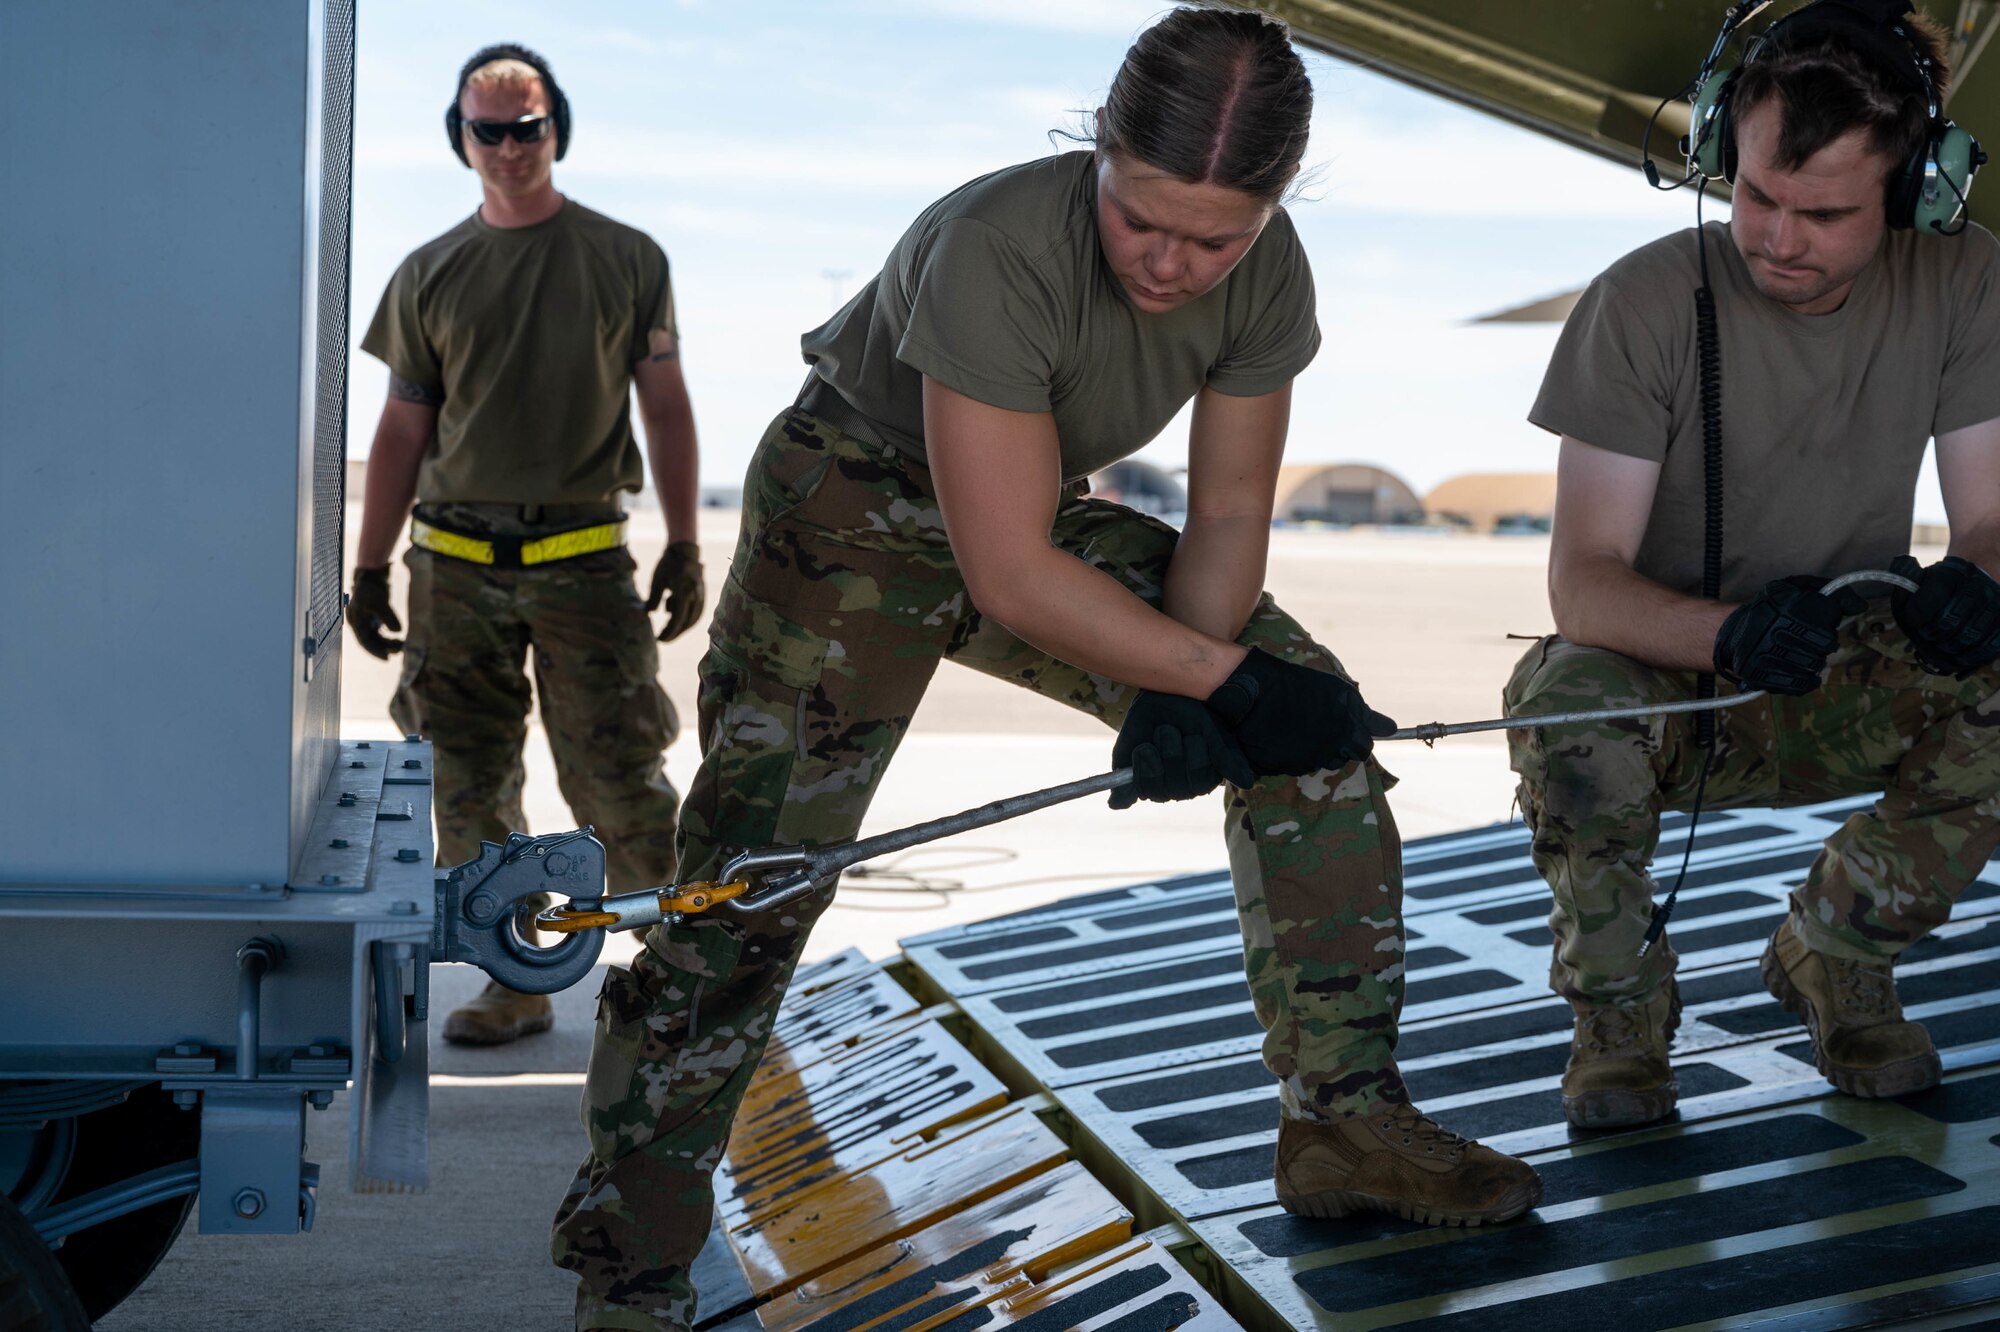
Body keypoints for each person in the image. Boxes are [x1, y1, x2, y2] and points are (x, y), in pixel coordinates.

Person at [552, 9, 1540, 1330]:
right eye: (1145, 220)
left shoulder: (1269, 270)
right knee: (753, 889)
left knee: (1312, 732)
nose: (1177, 263)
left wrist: (1208, 684)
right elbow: (1010, 573)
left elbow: (1233, 512)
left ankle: (1342, 1121)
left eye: (1218, 237)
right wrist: (1202, 681)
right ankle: (631, 1262)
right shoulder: (998, 246)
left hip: (1026, 503)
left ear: (1273, 208)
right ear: (1100, 156)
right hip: (850, 504)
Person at [1506, 0, 2000, 1130]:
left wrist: (1979, 581)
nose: (1776, 239)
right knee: (1562, 706)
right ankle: (1618, 1017)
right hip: (1676, 683)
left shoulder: (1963, 279)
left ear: (1914, 188)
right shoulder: (1637, 302)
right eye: (1755, 196)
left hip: (1846, 670)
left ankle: (1835, 949)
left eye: (1822, 213)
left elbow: (1986, 522)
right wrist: (1722, 633)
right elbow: (1583, 583)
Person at [347, 44, 705, 1045]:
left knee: (619, 775)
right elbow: (401, 430)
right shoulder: (427, 273)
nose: (508, 147)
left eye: (527, 127)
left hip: (582, 562)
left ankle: (689, 981)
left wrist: (684, 540)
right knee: (464, 780)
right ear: (460, 139)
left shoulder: (626, 257)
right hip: (452, 567)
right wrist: (371, 563)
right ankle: (515, 980)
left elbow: (666, 409)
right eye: (487, 130)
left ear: (557, 131)